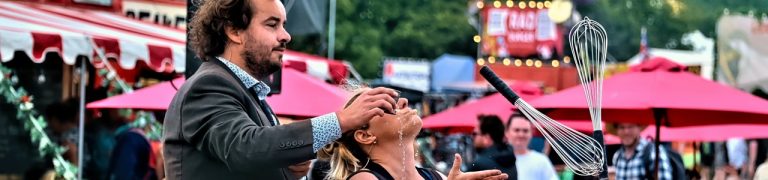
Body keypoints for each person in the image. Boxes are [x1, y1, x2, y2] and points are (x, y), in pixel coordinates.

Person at [163, 0, 400, 179]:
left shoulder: (243, 91)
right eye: (272, 24)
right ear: (234, 31)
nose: (285, 35)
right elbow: (247, 149)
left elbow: (250, 159)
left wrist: (286, 169)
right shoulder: (210, 85)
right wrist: (341, 121)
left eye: (283, 25)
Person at [320, 90, 508, 180]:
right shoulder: (365, 179)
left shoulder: (436, 176)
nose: (402, 102)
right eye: (387, 105)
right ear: (365, 135)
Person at [505, 113, 558, 180]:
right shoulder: (496, 159)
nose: (521, 135)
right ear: (507, 132)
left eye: (525, 131)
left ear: (532, 132)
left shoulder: (541, 161)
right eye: (516, 130)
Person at [469, 115, 517, 180]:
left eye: (475, 134)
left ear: (487, 138)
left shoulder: (478, 165)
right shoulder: (511, 159)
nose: (472, 137)